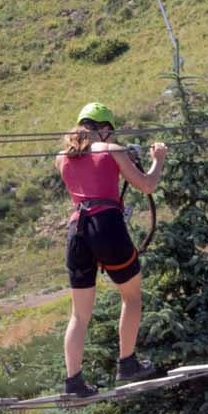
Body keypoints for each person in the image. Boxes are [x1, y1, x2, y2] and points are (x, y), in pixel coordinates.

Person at [58, 101, 167, 397]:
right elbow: (146, 185)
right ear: (105, 129)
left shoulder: (62, 157)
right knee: (131, 297)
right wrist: (158, 159)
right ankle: (127, 363)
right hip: (106, 224)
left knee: (79, 315)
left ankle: (74, 382)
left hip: (76, 231)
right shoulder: (112, 150)